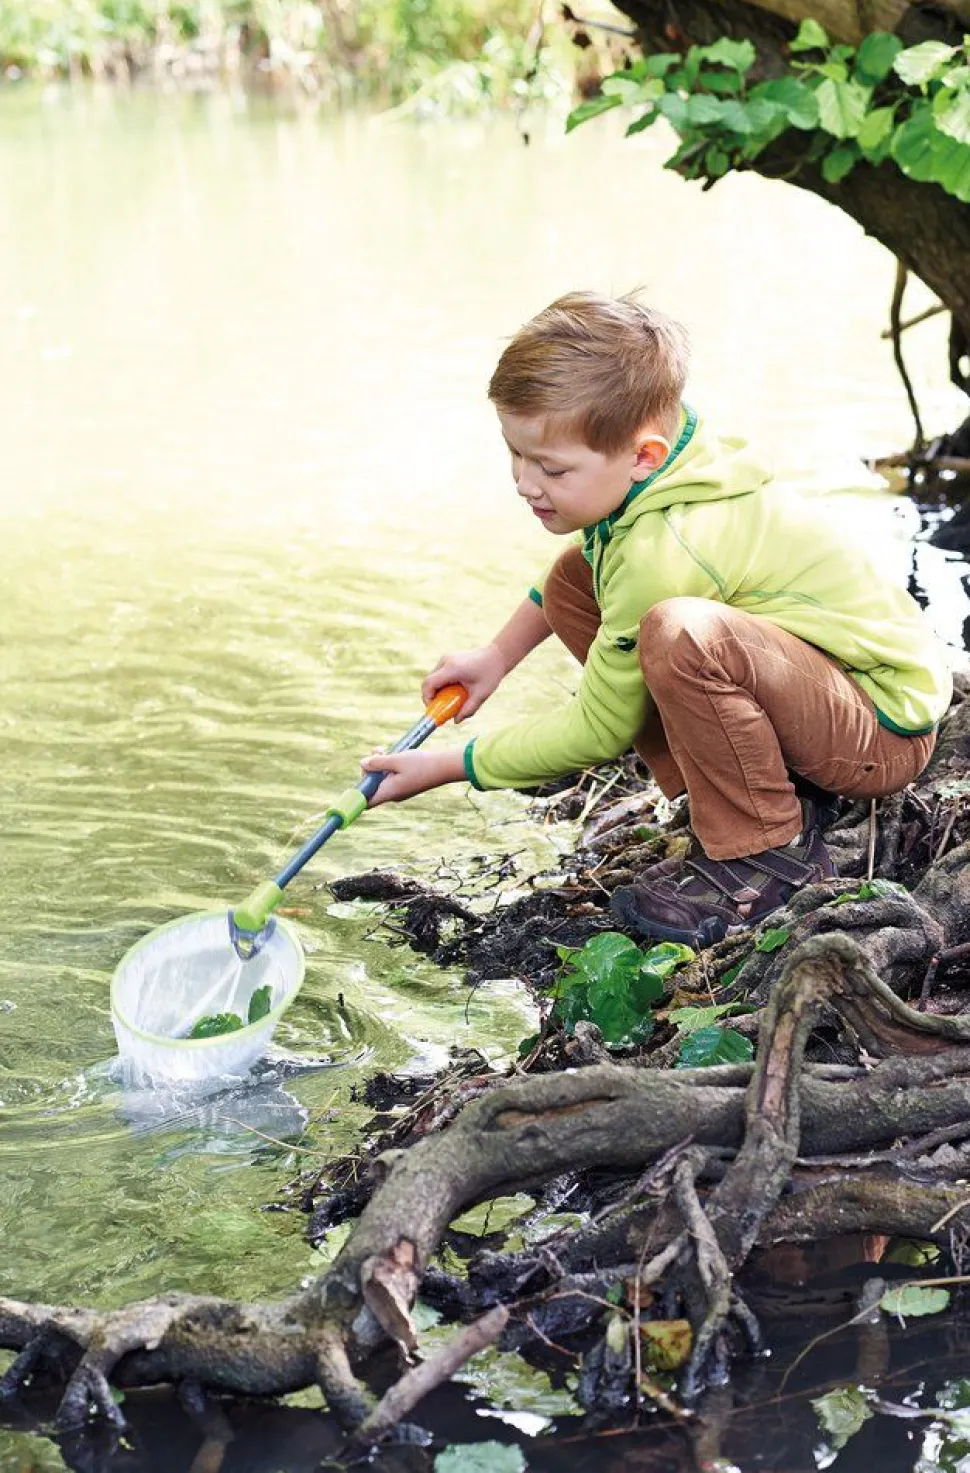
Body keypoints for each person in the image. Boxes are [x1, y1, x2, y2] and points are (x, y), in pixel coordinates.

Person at [361, 290, 952, 948]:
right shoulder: (671, 453)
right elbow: (594, 567)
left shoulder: (668, 545)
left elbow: (598, 729)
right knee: (574, 581)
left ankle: (765, 856)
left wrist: (451, 766)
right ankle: (735, 798)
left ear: (642, 454)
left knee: (682, 635)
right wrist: (496, 657)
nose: (525, 483)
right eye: (516, 454)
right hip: (823, 691)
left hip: (881, 728)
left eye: (551, 467)